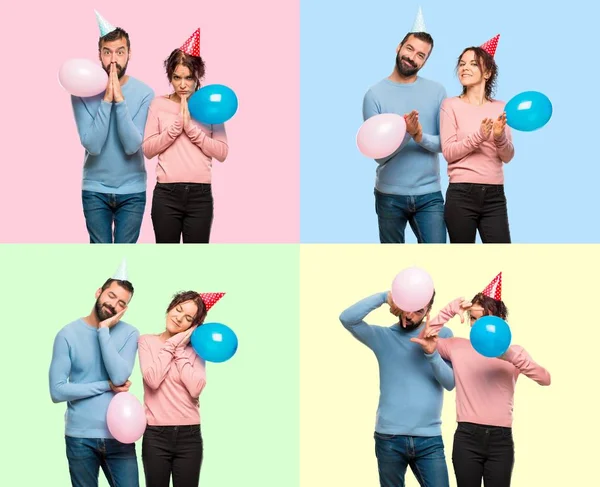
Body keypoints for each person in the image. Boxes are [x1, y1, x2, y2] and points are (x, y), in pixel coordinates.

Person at [411, 272, 551, 487]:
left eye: (485, 318)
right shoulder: (457, 346)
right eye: (474, 318)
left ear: (499, 319)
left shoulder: (514, 353)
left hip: (501, 441)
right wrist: (449, 310)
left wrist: (511, 356)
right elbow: (423, 338)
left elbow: (545, 379)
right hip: (467, 438)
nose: (478, 324)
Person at [339, 287, 454, 487]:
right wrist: (385, 297)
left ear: (428, 310)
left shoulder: (442, 335)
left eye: (419, 310)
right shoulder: (383, 336)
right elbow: (347, 318)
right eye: (408, 307)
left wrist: (431, 353)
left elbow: (451, 383)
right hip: (389, 438)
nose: (410, 315)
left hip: (430, 440)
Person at [49, 259, 140, 487]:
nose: (113, 304)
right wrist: (105, 386)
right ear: (99, 292)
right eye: (111, 295)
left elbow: (119, 377)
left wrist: (103, 332)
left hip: (120, 436)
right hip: (80, 437)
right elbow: (57, 391)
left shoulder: (130, 334)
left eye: (121, 303)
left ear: (124, 309)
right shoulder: (67, 334)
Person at [362, 7, 447, 244]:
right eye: (409, 49)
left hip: (429, 195)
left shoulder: (437, 92)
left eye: (421, 55)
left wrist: (419, 135)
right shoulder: (374, 95)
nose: (413, 57)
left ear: (426, 61)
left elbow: (445, 144)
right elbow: (377, 156)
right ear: (399, 47)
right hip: (389, 195)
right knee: (392, 264)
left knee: (439, 261)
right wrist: (406, 135)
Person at [70, 10, 154, 244]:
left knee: (125, 256)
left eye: (120, 51)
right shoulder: (81, 91)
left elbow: (131, 145)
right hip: (95, 189)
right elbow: (93, 146)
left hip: (133, 191)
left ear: (129, 54)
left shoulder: (145, 93)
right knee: (100, 257)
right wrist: (107, 99)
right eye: (107, 52)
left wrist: (120, 101)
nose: (113, 59)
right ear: (99, 55)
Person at [142, 28, 228, 244]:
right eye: (176, 77)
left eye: (188, 78)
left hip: (200, 196)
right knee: (165, 260)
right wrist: (176, 127)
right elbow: (148, 150)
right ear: (170, 76)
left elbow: (222, 152)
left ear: (197, 76)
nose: (182, 84)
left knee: (196, 263)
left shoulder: (209, 105)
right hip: (166, 195)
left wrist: (190, 129)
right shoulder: (158, 104)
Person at [138, 291, 225, 487]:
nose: (179, 319)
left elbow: (195, 389)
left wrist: (179, 350)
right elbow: (152, 379)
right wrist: (172, 344)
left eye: (188, 318)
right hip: (155, 436)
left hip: (189, 437)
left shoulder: (196, 350)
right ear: (170, 307)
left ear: (192, 326)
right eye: (178, 310)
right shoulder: (146, 341)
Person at [439, 35, 515, 244]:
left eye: (473, 64)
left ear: (487, 73)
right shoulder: (450, 105)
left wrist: (499, 137)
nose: (464, 68)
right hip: (461, 193)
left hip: (495, 195)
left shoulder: (501, 107)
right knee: (464, 262)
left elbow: (508, 156)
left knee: (501, 260)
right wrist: (479, 136)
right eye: (462, 64)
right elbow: (449, 153)